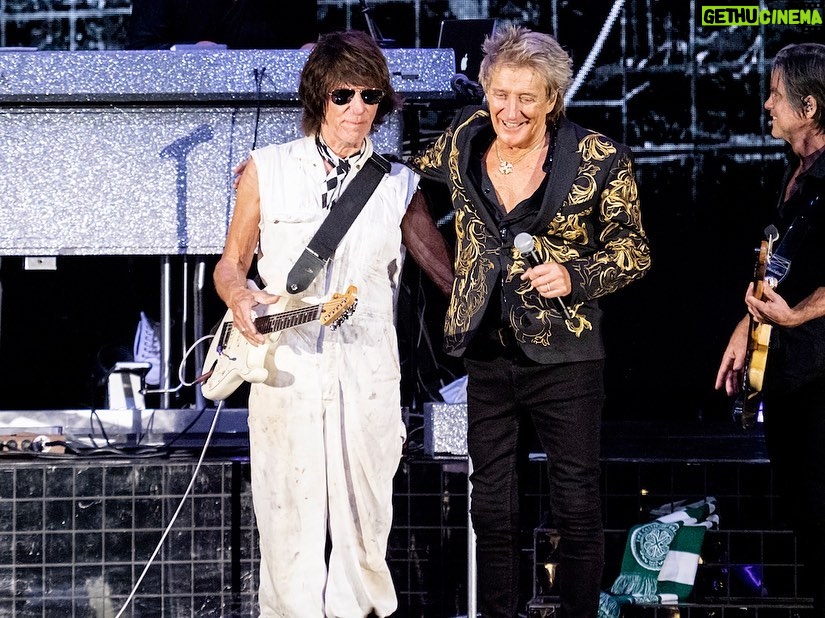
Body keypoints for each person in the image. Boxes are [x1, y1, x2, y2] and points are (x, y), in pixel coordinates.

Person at [408, 25, 651, 618]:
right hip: (485, 355)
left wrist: (575, 276)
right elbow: (391, 167)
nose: (509, 110)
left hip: (565, 357)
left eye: (526, 98)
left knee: (575, 508)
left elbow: (634, 251)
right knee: (491, 508)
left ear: (551, 101)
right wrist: (279, 167)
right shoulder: (464, 139)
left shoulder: (598, 159)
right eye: (499, 93)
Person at [212, 29, 453, 617]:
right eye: (344, 95)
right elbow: (230, 265)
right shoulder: (266, 170)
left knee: (366, 530)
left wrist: (519, 312)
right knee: (288, 523)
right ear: (320, 97)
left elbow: (452, 279)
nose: (357, 109)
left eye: (371, 97)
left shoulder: (399, 185)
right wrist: (241, 299)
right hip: (287, 371)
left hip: (368, 373)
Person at [715, 42, 825, 614]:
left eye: (777, 94)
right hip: (788, 376)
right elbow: (777, 268)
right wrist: (747, 323)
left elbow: (805, 297)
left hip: (819, 376)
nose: (766, 104)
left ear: (809, 107)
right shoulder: (797, 174)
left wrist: (797, 314)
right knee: (802, 513)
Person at [125, 0, 318, 50]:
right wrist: (186, 54)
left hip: (275, 107)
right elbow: (139, 49)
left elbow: (304, 44)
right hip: (187, 106)